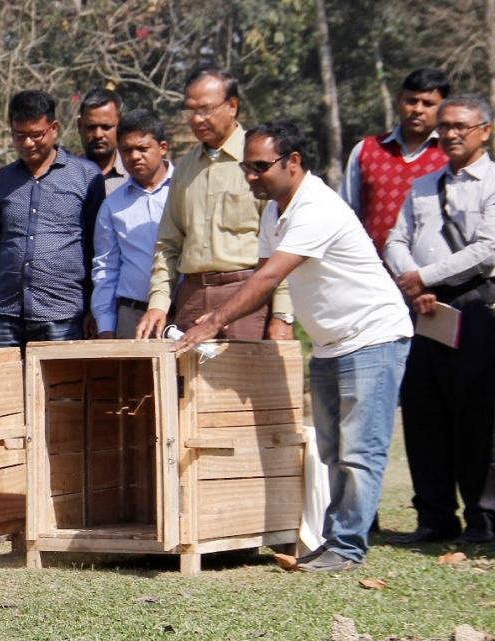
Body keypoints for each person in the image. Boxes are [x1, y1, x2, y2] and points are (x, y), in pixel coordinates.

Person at [174, 121, 412, 572]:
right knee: (331, 450)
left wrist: (214, 321)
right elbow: (259, 282)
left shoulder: (316, 207)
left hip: (373, 336)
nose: (250, 176)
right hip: (329, 343)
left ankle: (347, 547)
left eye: (260, 167)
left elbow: (268, 277)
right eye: (246, 166)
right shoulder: (273, 212)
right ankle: (335, 540)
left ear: (294, 162)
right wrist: (228, 328)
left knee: (360, 451)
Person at [385, 94, 495, 545]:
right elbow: (395, 237)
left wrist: (423, 275)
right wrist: (411, 282)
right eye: (444, 126)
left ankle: (483, 518)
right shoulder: (423, 184)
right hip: (423, 309)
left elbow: (488, 247)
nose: (449, 134)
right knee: (423, 412)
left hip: (476, 307)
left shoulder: (492, 182)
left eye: (461, 127)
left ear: (485, 131)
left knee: (477, 415)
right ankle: (433, 516)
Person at [136, 65, 294, 341]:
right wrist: (159, 304)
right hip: (192, 297)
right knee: (191, 384)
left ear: (232, 106)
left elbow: (282, 243)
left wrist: (282, 315)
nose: (197, 119)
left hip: (246, 296)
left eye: (206, 109)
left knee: (244, 383)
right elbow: (168, 243)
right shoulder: (184, 169)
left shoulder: (261, 161)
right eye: (190, 111)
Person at [0, 90, 105, 347]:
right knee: (4, 386)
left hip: (63, 313)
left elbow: (97, 248)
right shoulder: (2, 180)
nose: (28, 143)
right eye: (19, 135)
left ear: (54, 128)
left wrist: (93, 307)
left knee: (62, 386)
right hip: (8, 312)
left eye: (36, 135)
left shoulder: (86, 176)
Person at [340, 68, 450, 257]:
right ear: (399, 100)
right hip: (373, 273)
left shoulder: (450, 156)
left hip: (434, 275)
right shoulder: (367, 150)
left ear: (443, 108)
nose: (417, 110)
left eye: (428, 103)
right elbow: (345, 214)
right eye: (411, 101)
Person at [91, 109, 173, 338]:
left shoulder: (184, 191)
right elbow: (106, 268)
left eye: (143, 149)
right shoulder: (112, 206)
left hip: (181, 313)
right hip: (132, 316)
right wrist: (106, 326)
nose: (134, 156)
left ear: (163, 147)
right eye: (126, 150)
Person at [77, 87, 128, 193]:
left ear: (120, 126)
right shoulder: (65, 177)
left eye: (106, 127)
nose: (98, 135)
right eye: (91, 127)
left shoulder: (134, 177)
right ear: (79, 126)